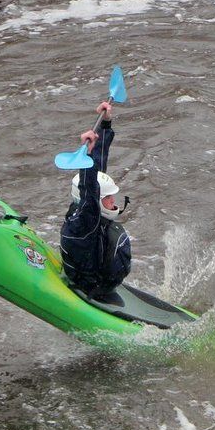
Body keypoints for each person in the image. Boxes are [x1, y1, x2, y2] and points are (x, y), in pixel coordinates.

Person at [60, 102, 132, 302]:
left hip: (99, 277)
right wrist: (87, 156)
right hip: (90, 286)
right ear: (96, 201)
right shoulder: (85, 223)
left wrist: (105, 125)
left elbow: (97, 170)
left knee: (96, 171)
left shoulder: (87, 213)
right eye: (108, 198)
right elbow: (90, 188)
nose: (113, 201)